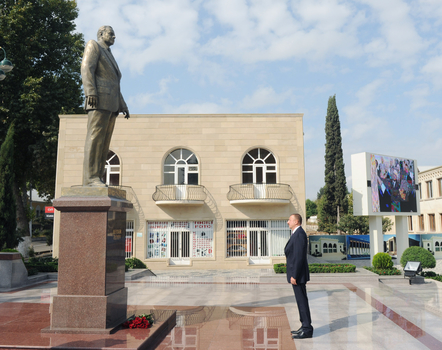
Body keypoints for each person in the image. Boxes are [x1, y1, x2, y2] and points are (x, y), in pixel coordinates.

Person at [81, 25, 130, 187]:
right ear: (101, 34)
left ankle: (98, 176)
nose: (114, 37)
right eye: (111, 34)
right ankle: (90, 178)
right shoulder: (93, 45)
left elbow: (114, 83)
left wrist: (122, 104)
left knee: (104, 142)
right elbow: (87, 68)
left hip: (112, 104)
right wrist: (90, 93)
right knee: (95, 139)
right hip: (98, 100)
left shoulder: (109, 54)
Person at [285, 213, 313, 339]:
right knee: (300, 301)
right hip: (296, 274)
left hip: (298, 275)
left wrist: (294, 275)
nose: (287, 222)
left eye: (289, 220)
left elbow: (299, 257)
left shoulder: (300, 234)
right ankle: (304, 326)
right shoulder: (296, 234)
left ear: (296, 221)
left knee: (302, 301)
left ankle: (307, 330)